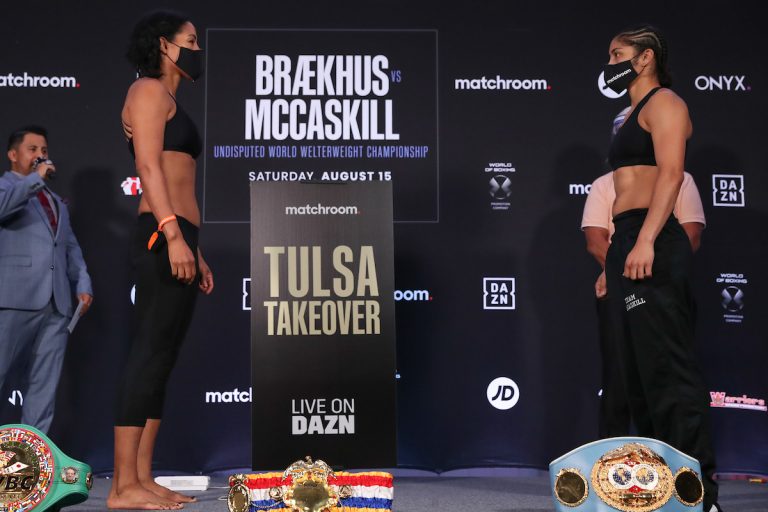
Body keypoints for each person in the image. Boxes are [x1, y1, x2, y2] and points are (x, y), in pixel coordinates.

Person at [600, 25, 721, 511]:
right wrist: (621, 249)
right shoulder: (628, 115)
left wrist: (646, 240)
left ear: (646, 57)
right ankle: (661, 494)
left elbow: (671, 174)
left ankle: (699, 496)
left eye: (618, 55)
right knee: (639, 378)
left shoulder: (666, 102)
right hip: (626, 238)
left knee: (670, 374)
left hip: (653, 239)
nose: (610, 64)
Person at [108, 11, 214, 510]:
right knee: (148, 354)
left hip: (178, 234)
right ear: (165, 46)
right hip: (160, 231)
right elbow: (148, 166)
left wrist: (194, 248)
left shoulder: (170, 99)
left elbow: (177, 178)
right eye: (190, 40)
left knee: (162, 359)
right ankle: (121, 487)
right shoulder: (147, 90)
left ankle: (142, 478)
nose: (197, 48)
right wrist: (172, 234)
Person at [582, 165, 705, 437]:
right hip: (617, 291)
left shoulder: (681, 180)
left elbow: (692, 235)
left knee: (673, 377)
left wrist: (652, 271)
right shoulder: (604, 184)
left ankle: (674, 455)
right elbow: (595, 241)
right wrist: (624, 273)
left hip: (666, 292)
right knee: (618, 381)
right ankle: (613, 458)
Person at [0, 125, 93, 433]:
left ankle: (30, 458)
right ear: (13, 155)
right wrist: (34, 180)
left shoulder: (53, 199)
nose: (40, 156)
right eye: (32, 150)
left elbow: (69, 246)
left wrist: (82, 283)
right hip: (14, 299)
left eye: (44, 150)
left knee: (44, 387)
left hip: (57, 304)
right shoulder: (6, 188)